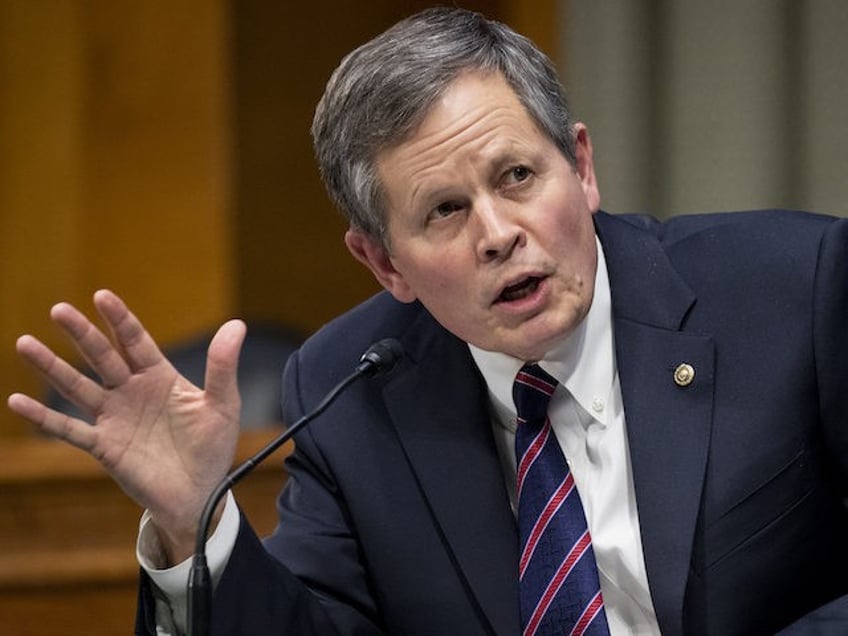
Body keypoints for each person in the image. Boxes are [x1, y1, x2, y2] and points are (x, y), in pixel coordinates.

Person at [8, 7, 848, 636]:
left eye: (518, 175)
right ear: (383, 263)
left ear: (582, 168)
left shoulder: (793, 289)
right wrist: (198, 522)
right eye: (444, 210)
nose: (497, 234)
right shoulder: (351, 387)